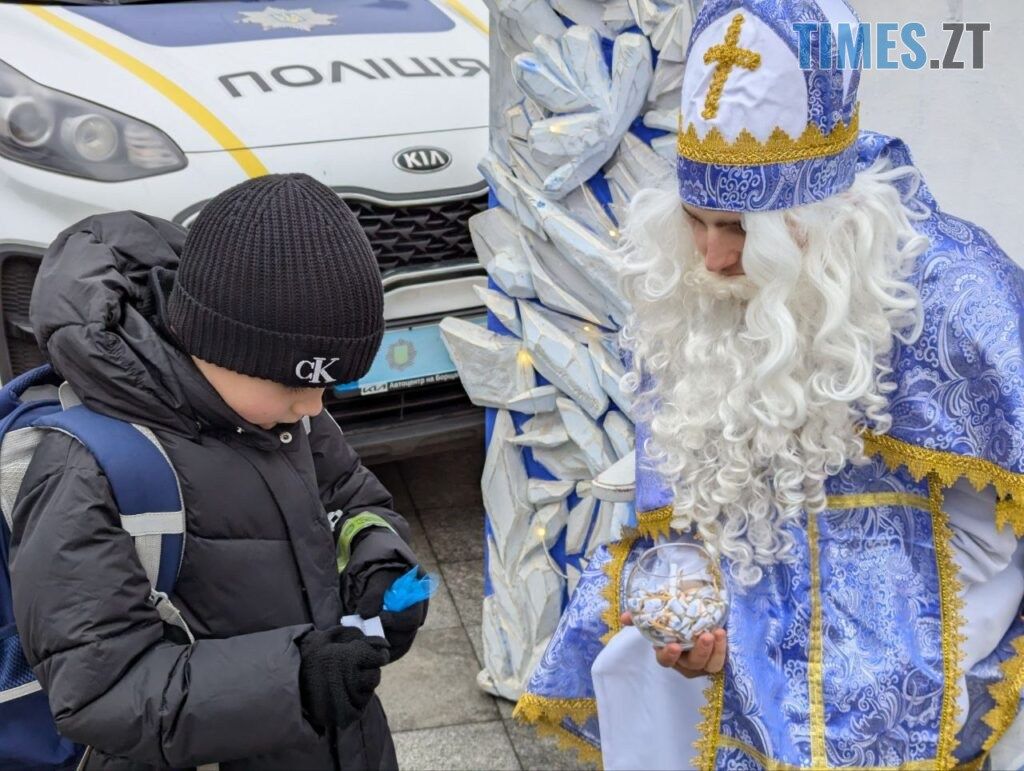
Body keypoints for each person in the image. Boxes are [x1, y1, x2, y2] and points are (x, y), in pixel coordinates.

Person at [515, 1, 1024, 769]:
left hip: (928, 690)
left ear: (820, 215)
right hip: (741, 675)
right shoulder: (691, 292)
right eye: (695, 218)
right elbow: (679, 498)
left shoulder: (959, 297)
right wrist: (687, 608)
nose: (712, 258)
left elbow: (998, 539)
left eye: (738, 226)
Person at [9, 174, 428, 770]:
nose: (314, 407)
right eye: (297, 382)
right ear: (218, 343)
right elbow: (99, 691)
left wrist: (379, 563)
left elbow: (355, 501)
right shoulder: (86, 470)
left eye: (329, 386)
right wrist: (297, 680)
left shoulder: (286, 415)